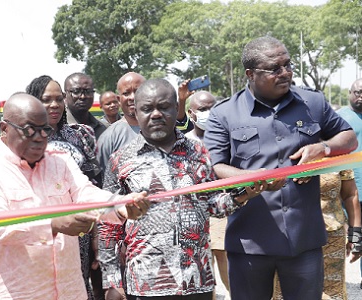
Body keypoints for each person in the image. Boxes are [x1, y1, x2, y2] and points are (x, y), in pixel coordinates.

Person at [203, 36, 357, 300]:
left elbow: (349, 138)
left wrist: (323, 149)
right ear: (250, 74)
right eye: (275, 68)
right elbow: (215, 166)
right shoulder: (224, 114)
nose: (285, 73)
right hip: (249, 242)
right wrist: (257, 179)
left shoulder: (313, 103)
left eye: (288, 65)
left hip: (304, 240)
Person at [0, 92, 151, 300]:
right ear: (5, 129)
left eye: (44, 130)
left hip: (68, 290)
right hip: (19, 293)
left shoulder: (60, 161)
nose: (39, 138)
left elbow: (86, 194)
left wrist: (120, 207)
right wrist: (53, 224)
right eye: (29, 130)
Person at [98, 78, 263, 300]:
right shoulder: (120, 160)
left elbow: (213, 205)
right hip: (146, 285)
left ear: (177, 108)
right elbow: (108, 224)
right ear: (136, 112)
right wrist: (112, 282)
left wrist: (244, 194)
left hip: (197, 281)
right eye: (147, 109)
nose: (156, 114)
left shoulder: (199, 152)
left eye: (164, 107)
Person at [26, 75, 104, 299]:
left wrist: (97, 236)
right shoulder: (24, 141)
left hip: (79, 232)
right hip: (40, 231)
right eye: (46, 99)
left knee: (76, 285)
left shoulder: (79, 135)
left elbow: (92, 185)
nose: (54, 105)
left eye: (59, 99)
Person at [272, 168, 362, 299]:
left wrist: (356, 236)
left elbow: (350, 195)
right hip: (289, 237)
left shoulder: (335, 153)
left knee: (332, 294)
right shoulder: (284, 154)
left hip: (331, 238)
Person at [184, 91, 230, 300]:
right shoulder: (183, 143)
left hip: (223, 209)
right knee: (202, 267)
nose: (209, 113)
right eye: (203, 109)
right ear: (190, 114)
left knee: (224, 256)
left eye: (212, 107)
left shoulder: (227, 138)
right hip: (194, 214)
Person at [337, 78, 362, 288]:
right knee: (352, 237)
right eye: (358, 92)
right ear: (350, 93)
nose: (361, 97)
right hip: (351, 191)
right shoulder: (339, 119)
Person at [96, 72, 145, 170]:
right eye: (126, 93)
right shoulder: (108, 138)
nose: (132, 97)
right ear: (119, 99)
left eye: (137, 91)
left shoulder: (165, 130)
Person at [64, 72, 107, 138]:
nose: (83, 96)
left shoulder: (105, 129)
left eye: (88, 91)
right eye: (76, 91)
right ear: (65, 96)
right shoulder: (56, 128)